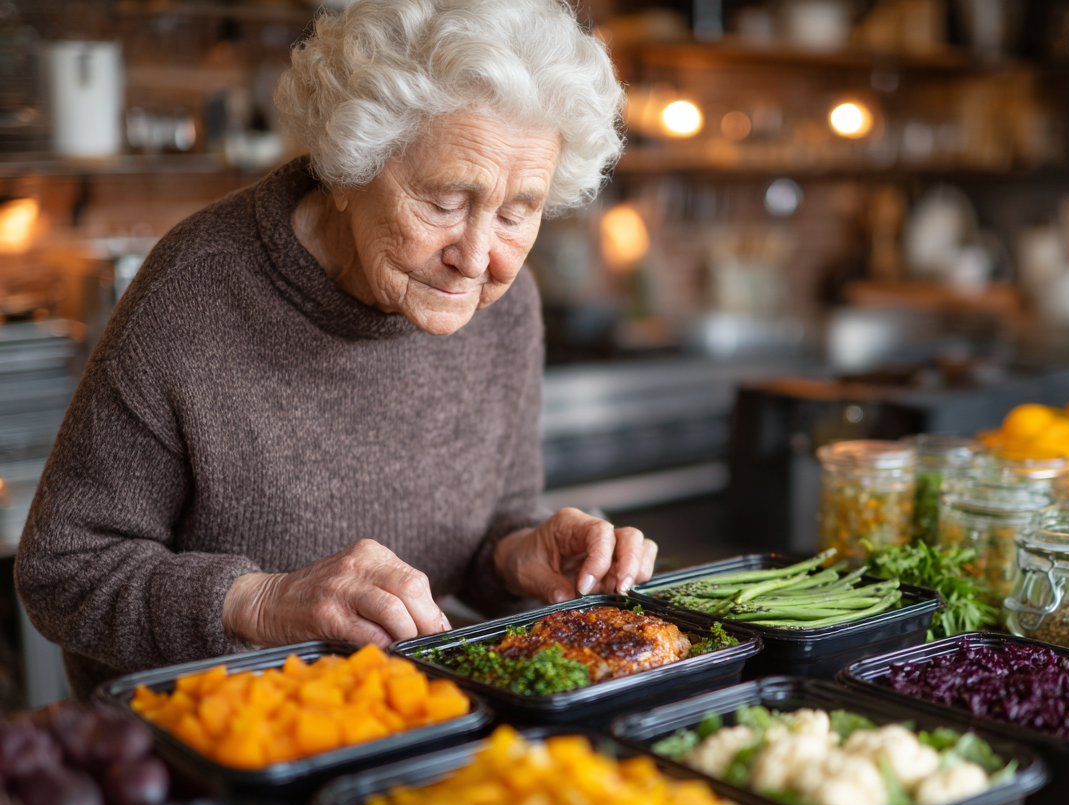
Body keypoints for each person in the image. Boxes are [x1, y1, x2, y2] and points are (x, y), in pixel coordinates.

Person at [15, 0, 658, 697]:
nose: (476, 259)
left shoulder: (508, 310)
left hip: (410, 720)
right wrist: (263, 602)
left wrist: (519, 555)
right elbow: (64, 570)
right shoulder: (194, 296)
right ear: (349, 169)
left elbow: (487, 530)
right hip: (211, 747)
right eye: (444, 201)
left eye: (516, 211)